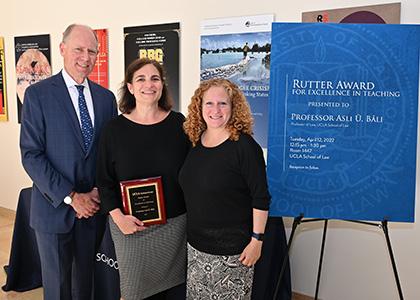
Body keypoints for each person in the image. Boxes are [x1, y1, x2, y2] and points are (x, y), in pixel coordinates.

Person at [19, 24, 118, 300]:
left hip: (92, 214)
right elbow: (31, 154)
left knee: (86, 286)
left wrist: (99, 191)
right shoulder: (38, 96)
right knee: (59, 290)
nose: (85, 57)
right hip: (53, 212)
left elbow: (109, 154)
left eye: (92, 51)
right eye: (78, 49)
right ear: (62, 50)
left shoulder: (106, 99)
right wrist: (72, 196)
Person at [96, 58, 189, 300]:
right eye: (141, 79)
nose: (149, 84)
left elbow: (195, 171)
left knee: (173, 291)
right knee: (134, 292)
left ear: (162, 85)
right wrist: (119, 219)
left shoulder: (180, 124)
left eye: (155, 78)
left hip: (175, 227)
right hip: (130, 226)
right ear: (130, 87)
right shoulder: (113, 130)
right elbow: (104, 180)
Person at [179, 78, 270, 299]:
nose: (215, 110)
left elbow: (261, 198)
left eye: (223, 103)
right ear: (199, 108)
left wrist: (257, 241)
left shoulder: (245, 147)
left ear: (233, 107)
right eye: (209, 103)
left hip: (233, 253)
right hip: (196, 249)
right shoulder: (195, 142)